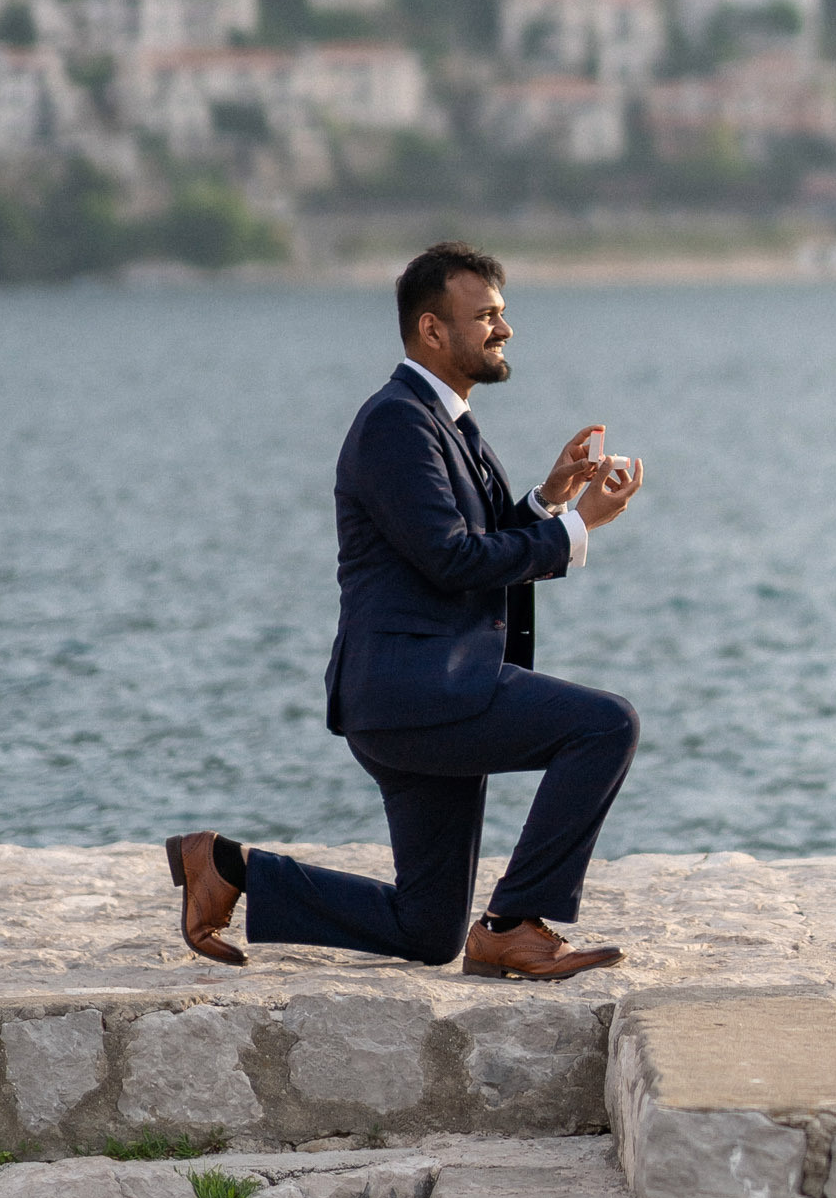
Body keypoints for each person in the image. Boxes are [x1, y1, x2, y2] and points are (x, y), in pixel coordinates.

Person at [166, 240, 644, 980]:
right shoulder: (396, 422)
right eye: (485, 315)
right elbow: (451, 558)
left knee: (425, 929)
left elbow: (468, 542)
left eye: (503, 314)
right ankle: (513, 923)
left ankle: (227, 867)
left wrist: (550, 500)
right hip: (419, 696)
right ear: (432, 329)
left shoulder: (447, 423)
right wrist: (578, 530)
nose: (504, 328)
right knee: (605, 724)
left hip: (420, 696)